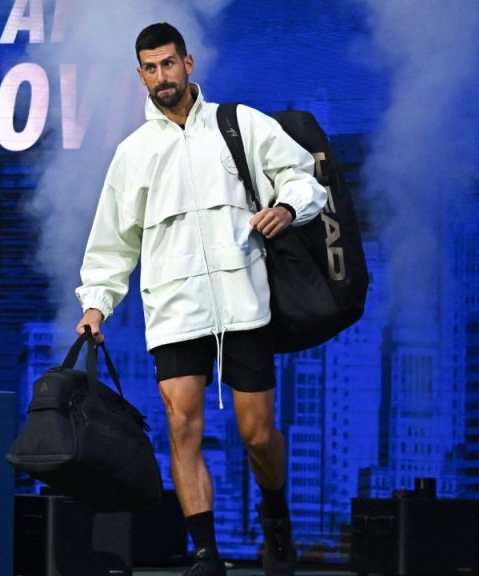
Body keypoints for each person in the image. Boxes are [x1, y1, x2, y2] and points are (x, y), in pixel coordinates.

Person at [74, 22, 327, 576]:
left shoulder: (240, 125)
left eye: (169, 63)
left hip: (244, 302)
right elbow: (113, 240)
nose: (161, 76)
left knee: (257, 433)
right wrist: (96, 305)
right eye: (150, 68)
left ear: (188, 64)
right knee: (182, 426)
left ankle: (275, 513)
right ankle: (206, 553)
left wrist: (287, 208)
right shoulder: (133, 153)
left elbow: (304, 175)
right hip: (174, 310)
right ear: (139, 75)